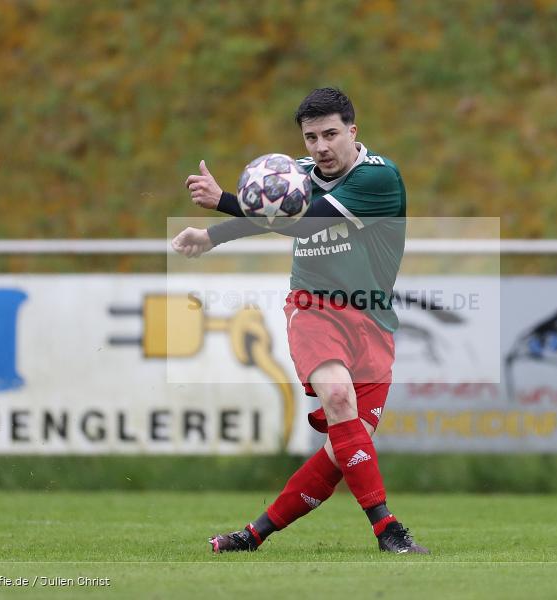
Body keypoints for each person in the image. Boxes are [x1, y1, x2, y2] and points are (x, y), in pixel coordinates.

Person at [172, 88, 428, 554]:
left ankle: (252, 536)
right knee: (336, 396)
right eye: (311, 137)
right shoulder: (299, 174)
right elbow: (271, 215)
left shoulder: (379, 178)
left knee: (341, 453)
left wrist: (223, 201)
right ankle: (387, 529)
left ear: (353, 132)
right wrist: (212, 236)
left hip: (371, 320)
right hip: (313, 309)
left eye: (330, 134)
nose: (320, 147)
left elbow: (306, 219)